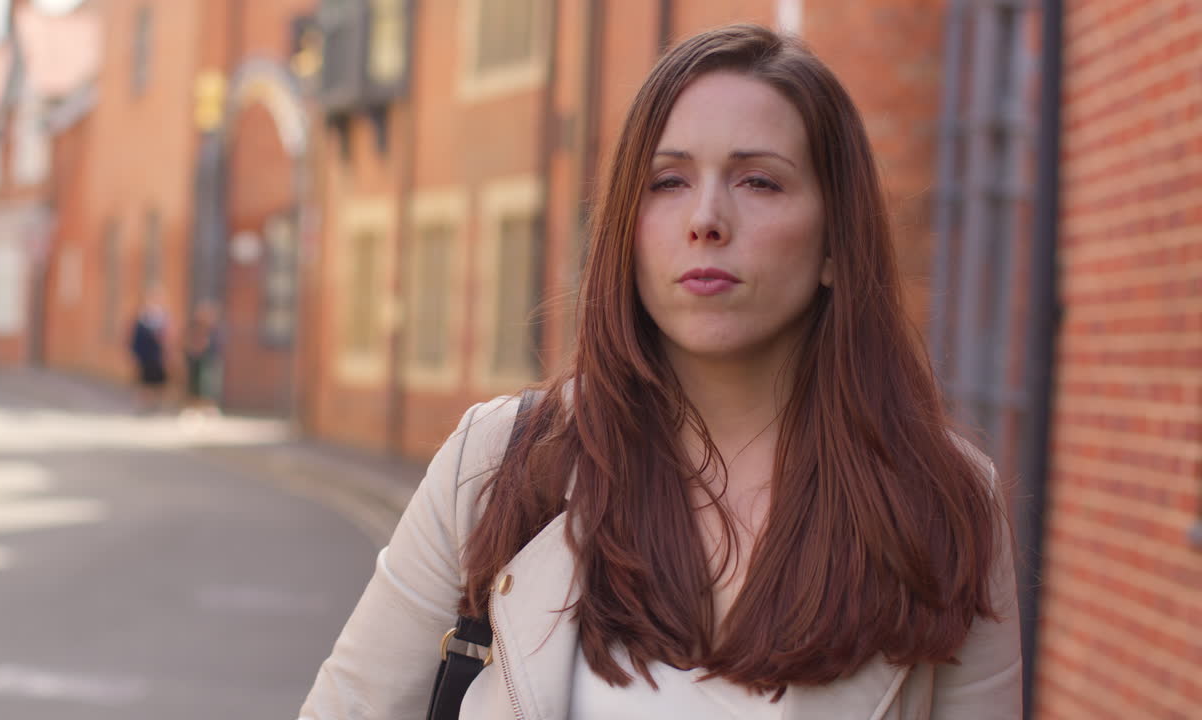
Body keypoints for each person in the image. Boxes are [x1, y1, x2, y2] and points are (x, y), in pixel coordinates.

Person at [299, 25, 1021, 720]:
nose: (706, 218)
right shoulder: (497, 465)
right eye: (668, 182)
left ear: (837, 242)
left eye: (759, 182)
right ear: (627, 230)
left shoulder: (943, 503)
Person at [129, 288, 171, 413]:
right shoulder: (142, 318)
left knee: (159, 382)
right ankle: (145, 406)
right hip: (146, 356)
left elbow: (168, 337)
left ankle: (156, 406)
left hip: (158, 356)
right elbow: (135, 338)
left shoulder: (163, 318)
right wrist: (136, 354)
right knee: (145, 382)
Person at [181, 299, 222, 417]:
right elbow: (187, 342)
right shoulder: (194, 327)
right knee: (194, 386)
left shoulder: (213, 330)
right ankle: (193, 409)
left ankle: (208, 408)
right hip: (195, 360)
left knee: (207, 386)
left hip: (207, 362)